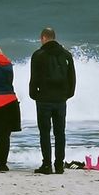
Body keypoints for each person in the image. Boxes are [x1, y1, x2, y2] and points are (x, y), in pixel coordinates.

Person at [28, 27, 77, 175]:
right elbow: (72, 78)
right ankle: (59, 165)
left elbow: (34, 78)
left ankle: (47, 165)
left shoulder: (38, 55)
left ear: (43, 38)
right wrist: (68, 94)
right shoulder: (66, 55)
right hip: (61, 99)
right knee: (60, 132)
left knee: (44, 132)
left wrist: (34, 95)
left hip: (43, 98)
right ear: (54, 37)